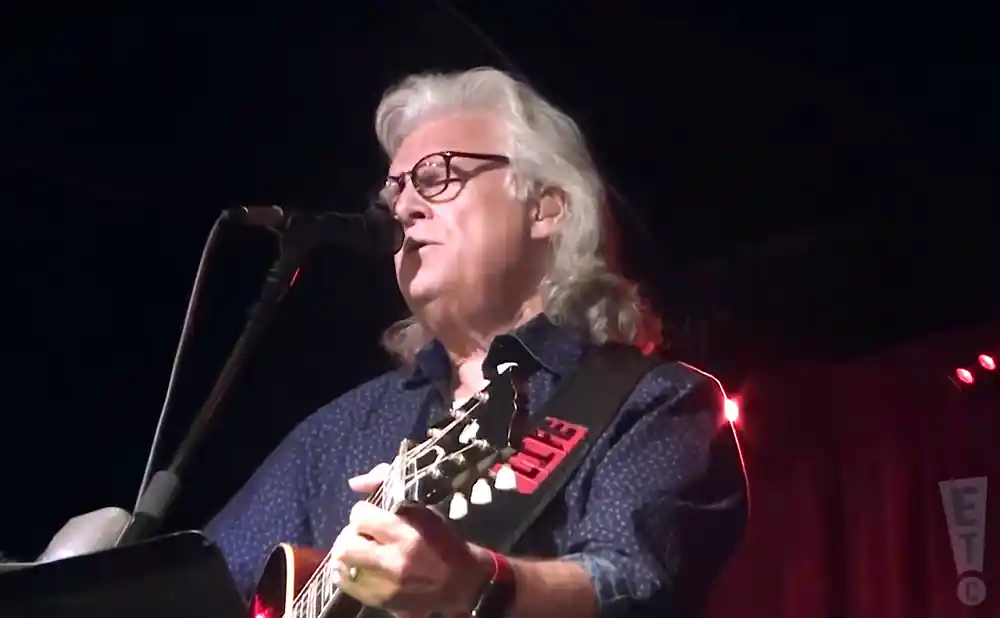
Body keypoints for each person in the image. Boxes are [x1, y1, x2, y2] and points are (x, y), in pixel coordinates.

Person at [204, 67, 748, 618]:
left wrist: (476, 584)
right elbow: (198, 588)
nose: (403, 208)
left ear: (545, 207)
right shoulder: (339, 431)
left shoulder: (651, 402)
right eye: (395, 191)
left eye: (435, 175)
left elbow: (633, 584)